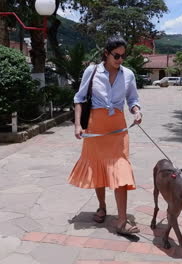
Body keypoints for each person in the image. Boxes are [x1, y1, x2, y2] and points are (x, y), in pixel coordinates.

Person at [68, 36, 142, 235]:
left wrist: (136, 111)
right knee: (98, 168)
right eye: (116, 55)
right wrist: (77, 125)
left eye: (123, 56)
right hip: (95, 127)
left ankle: (122, 220)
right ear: (106, 54)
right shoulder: (91, 71)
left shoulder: (128, 74)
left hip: (118, 128)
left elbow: (133, 98)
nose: (120, 60)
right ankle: (102, 206)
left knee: (122, 170)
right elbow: (79, 98)